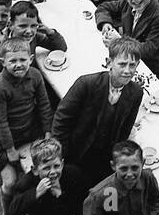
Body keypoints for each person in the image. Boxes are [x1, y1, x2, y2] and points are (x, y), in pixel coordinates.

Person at [52, 35, 145, 186]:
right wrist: (60, 157)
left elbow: (125, 130)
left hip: (106, 157)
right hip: (77, 153)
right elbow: (61, 121)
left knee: (104, 195)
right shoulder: (86, 84)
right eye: (122, 64)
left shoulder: (136, 92)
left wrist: (117, 159)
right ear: (109, 63)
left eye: (132, 65)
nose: (127, 71)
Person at [0, 37, 54, 215]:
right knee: (10, 182)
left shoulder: (35, 76)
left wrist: (48, 132)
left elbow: (44, 104)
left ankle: (44, 207)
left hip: (29, 131)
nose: (18, 65)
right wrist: (10, 149)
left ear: (31, 59)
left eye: (23, 60)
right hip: (5, 140)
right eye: (13, 61)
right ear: (3, 63)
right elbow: (0, 122)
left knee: (48, 164)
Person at [4, 135, 89, 215]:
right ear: (35, 170)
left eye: (56, 166)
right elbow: (12, 210)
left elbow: (85, 195)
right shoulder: (26, 183)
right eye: (46, 168)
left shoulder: (72, 173)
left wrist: (79, 213)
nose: (53, 172)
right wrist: (36, 193)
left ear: (62, 164)